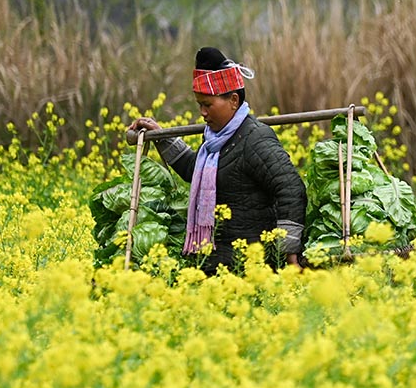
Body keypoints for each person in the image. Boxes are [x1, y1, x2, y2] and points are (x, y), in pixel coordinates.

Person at [130, 47, 306, 273]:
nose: (202, 112)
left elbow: (291, 188)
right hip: (216, 265)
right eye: (199, 105)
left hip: (252, 267)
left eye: (208, 105)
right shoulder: (215, 140)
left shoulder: (254, 138)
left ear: (233, 100)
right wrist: (163, 138)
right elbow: (199, 172)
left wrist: (289, 252)